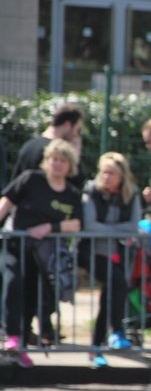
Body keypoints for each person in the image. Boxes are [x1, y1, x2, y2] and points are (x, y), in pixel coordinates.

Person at [0, 139, 82, 367]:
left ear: (69, 165)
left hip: (44, 253)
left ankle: (22, 342)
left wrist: (49, 228)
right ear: (46, 161)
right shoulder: (30, 179)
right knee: (13, 282)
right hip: (16, 244)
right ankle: (12, 337)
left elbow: (76, 223)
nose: (57, 164)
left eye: (62, 160)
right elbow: (6, 202)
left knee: (33, 295)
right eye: (53, 159)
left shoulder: (71, 193)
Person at [80, 152, 141, 366]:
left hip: (118, 252)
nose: (106, 176)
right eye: (103, 172)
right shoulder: (91, 191)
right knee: (116, 284)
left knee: (113, 290)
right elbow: (90, 225)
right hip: (91, 251)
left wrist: (109, 231)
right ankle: (113, 333)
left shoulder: (130, 194)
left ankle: (98, 345)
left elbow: (134, 226)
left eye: (111, 173)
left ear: (121, 176)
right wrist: (118, 231)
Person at [12, 103, 85, 189]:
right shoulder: (58, 152)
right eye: (78, 130)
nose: (76, 135)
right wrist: (74, 158)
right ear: (67, 125)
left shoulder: (28, 146)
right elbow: (73, 186)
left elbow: (15, 183)